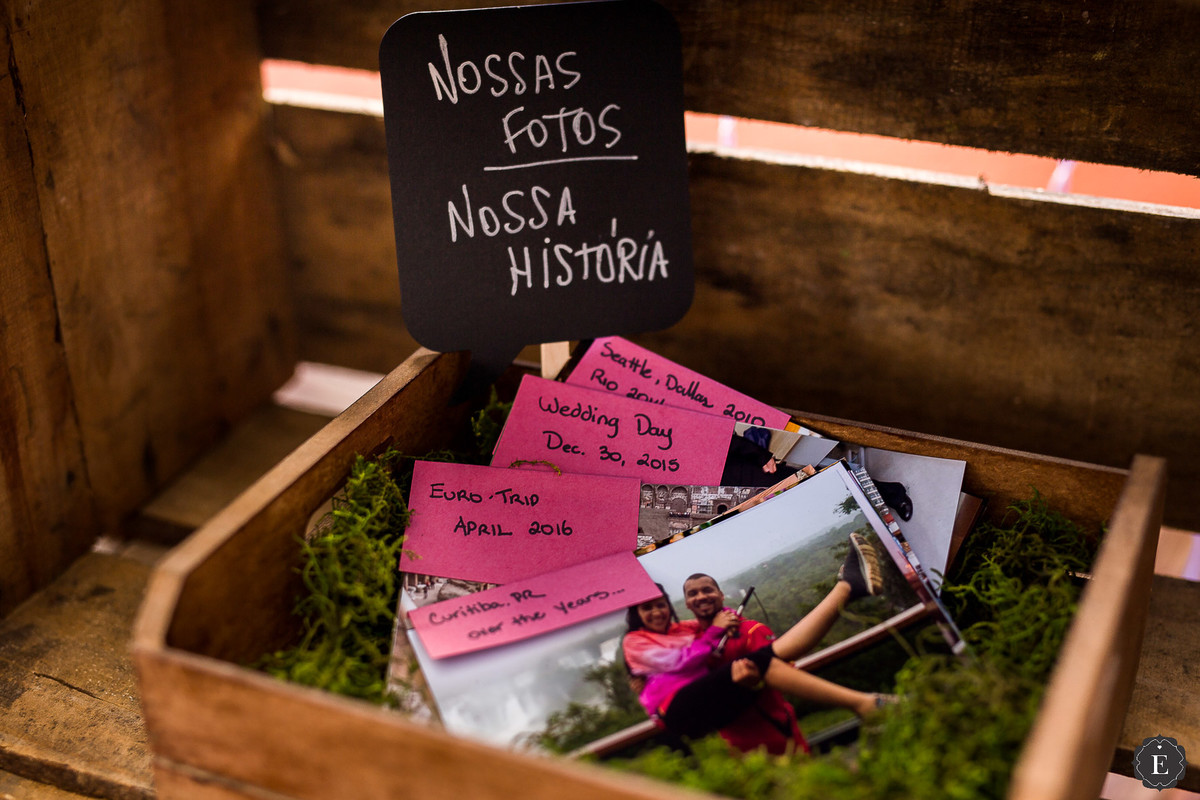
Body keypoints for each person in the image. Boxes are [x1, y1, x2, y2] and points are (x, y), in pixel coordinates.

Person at [623, 534, 890, 750]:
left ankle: (847, 589)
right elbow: (685, 656)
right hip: (725, 732)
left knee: (763, 663)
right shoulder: (679, 638)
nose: (701, 597)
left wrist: (754, 679)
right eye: (693, 594)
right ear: (686, 603)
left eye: (708, 590)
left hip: (771, 726)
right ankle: (848, 589)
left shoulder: (743, 630)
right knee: (758, 661)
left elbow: (785, 671)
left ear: (721, 594)